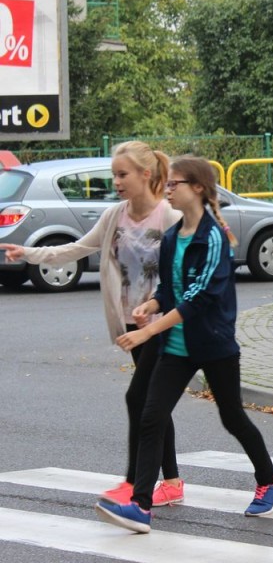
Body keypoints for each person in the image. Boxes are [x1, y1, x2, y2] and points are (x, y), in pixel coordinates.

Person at [95, 156, 273, 533]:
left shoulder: (214, 237)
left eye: (174, 184)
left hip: (214, 345)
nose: (168, 190)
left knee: (233, 418)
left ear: (197, 188)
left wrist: (147, 331)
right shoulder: (172, 237)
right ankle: (141, 506)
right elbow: (171, 289)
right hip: (177, 347)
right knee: (151, 416)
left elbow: (199, 297)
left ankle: (270, 481)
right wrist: (150, 305)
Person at [1, 141, 185, 508]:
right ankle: (171, 481)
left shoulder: (169, 218)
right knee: (152, 403)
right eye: (114, 175)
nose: (116, 181)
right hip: (131, 328)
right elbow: (77, 248)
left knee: (140, 399)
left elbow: (182, 275)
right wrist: (30, 254)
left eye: (123, 174)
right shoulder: (115, 216)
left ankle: (136, 483)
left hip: (162, 324)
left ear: (145, 175)